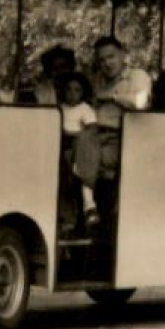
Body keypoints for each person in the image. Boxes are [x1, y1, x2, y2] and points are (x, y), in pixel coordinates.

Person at [55, 71, 99, 225]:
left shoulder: (85, 109)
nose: (72, 94)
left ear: (83, 92)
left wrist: (72, 134)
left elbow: (90, 130)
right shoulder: (60, 108)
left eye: (77, 90)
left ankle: (87, 203)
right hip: (59, 142)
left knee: (79, 150)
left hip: (76, 144)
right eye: (68, 89)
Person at [91, 36, 153, 129]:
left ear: (122, 55)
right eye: (102, 60)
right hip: (95, 131)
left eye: (111, 57)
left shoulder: (137, 76)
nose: (107, 63)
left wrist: (113, 97)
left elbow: (141, 103)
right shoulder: (97, 79)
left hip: (123, 135)